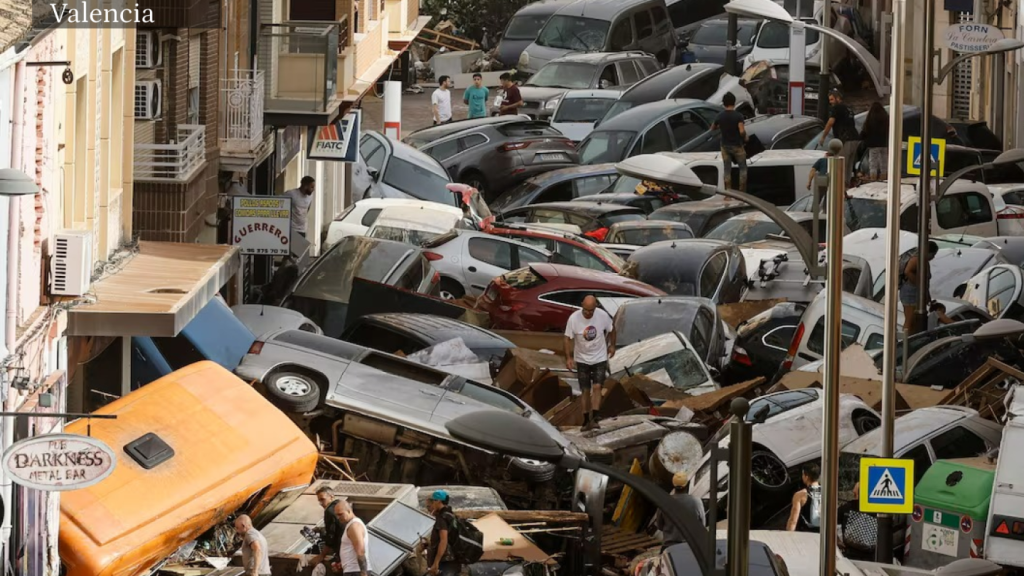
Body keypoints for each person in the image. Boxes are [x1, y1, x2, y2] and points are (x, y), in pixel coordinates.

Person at [564, 295, 615, 431]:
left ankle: (596, 415)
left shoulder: (602, 316)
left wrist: (612, 345)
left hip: (599, 358)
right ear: (582, 305)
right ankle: (586, 419)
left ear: (595, 308)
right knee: (585, 390)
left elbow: (612, 329)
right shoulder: (574, 318)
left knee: (597, 387)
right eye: (585, 310)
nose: (588, 313)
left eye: (591, 311)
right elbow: (567, 338)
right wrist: (568, 357)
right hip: (582, 359)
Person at [654, 472, 707, 551]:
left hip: (669, 547)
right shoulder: (696, 502)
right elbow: (702, 525)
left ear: (673, 485)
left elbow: (659, 526)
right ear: (687, 485)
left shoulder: (664, 502)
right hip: (691, 546)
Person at [819, 89, 859, 182]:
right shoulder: (848, 108)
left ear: (838, 98)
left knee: (841, 165)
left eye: (832, 99)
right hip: (855, 138)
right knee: (849, 165)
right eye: (829, 100)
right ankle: (847, 185)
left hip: (845, 139)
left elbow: (830, 123)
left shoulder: (837, 108)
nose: (830, 102)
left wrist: (823, 137)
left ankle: (841, 187)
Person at [711, 92, 748, 192]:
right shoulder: (738, 116)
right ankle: (742, 192)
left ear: (724, 103)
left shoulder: (720, 116)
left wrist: (722, 126)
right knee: (742, 169)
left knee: (727, 169)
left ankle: (728, 193)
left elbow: (712, 128)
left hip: (725, 146)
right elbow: (741, 131)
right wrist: (745, 138)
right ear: (734, 102)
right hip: (737, 146)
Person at [900, 241, 939, 336]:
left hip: (917, 292)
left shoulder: (924, 262)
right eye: (933, 254)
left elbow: (926, 281)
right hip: (911, 292)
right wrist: (919, 284)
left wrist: (927, 295)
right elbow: (907, 271)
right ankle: (905, 341)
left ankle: (910, 336)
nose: (933, 257)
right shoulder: (916, 260)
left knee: (914, 319)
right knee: (910, 319)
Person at [425, 490, 462, 576]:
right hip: (454, 558)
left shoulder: (442, 518)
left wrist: (436, 562)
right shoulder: (451, 516)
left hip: (446, 561)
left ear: (438, 501)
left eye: (433, 501)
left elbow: (443, 541)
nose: (432, 505)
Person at [309, 486, 346, 571]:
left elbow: (331, 536)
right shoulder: (341, 505)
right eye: (319, 500)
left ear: (331, 497)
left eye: (322, 499)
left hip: (343, 550)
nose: (321, 503)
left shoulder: (329, 511)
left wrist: (322, 555)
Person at [334, 499, 371, 576]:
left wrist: (363, 573)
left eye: (340, 514)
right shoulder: (351, 525)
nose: (338, 517)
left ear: (349, 511)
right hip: (352, 570)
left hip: (355, 571)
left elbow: (360, 551)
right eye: (337, 515)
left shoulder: (354, 526)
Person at [786, 464, 822, 532]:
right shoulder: (827, 493)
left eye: (803, 474)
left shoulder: (800, 495)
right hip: (823, 534)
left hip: (806, 534)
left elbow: (793, 520)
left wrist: (788, 536)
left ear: (806, 476)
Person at [860, 102, 889, 181]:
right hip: (884, 143)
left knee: (873, 161)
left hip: (873, 143)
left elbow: (865, 130)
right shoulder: (886, 118)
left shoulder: (871, 118)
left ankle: (873, 176)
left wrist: (863, 138)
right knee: (884, 160)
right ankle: (884, 175)